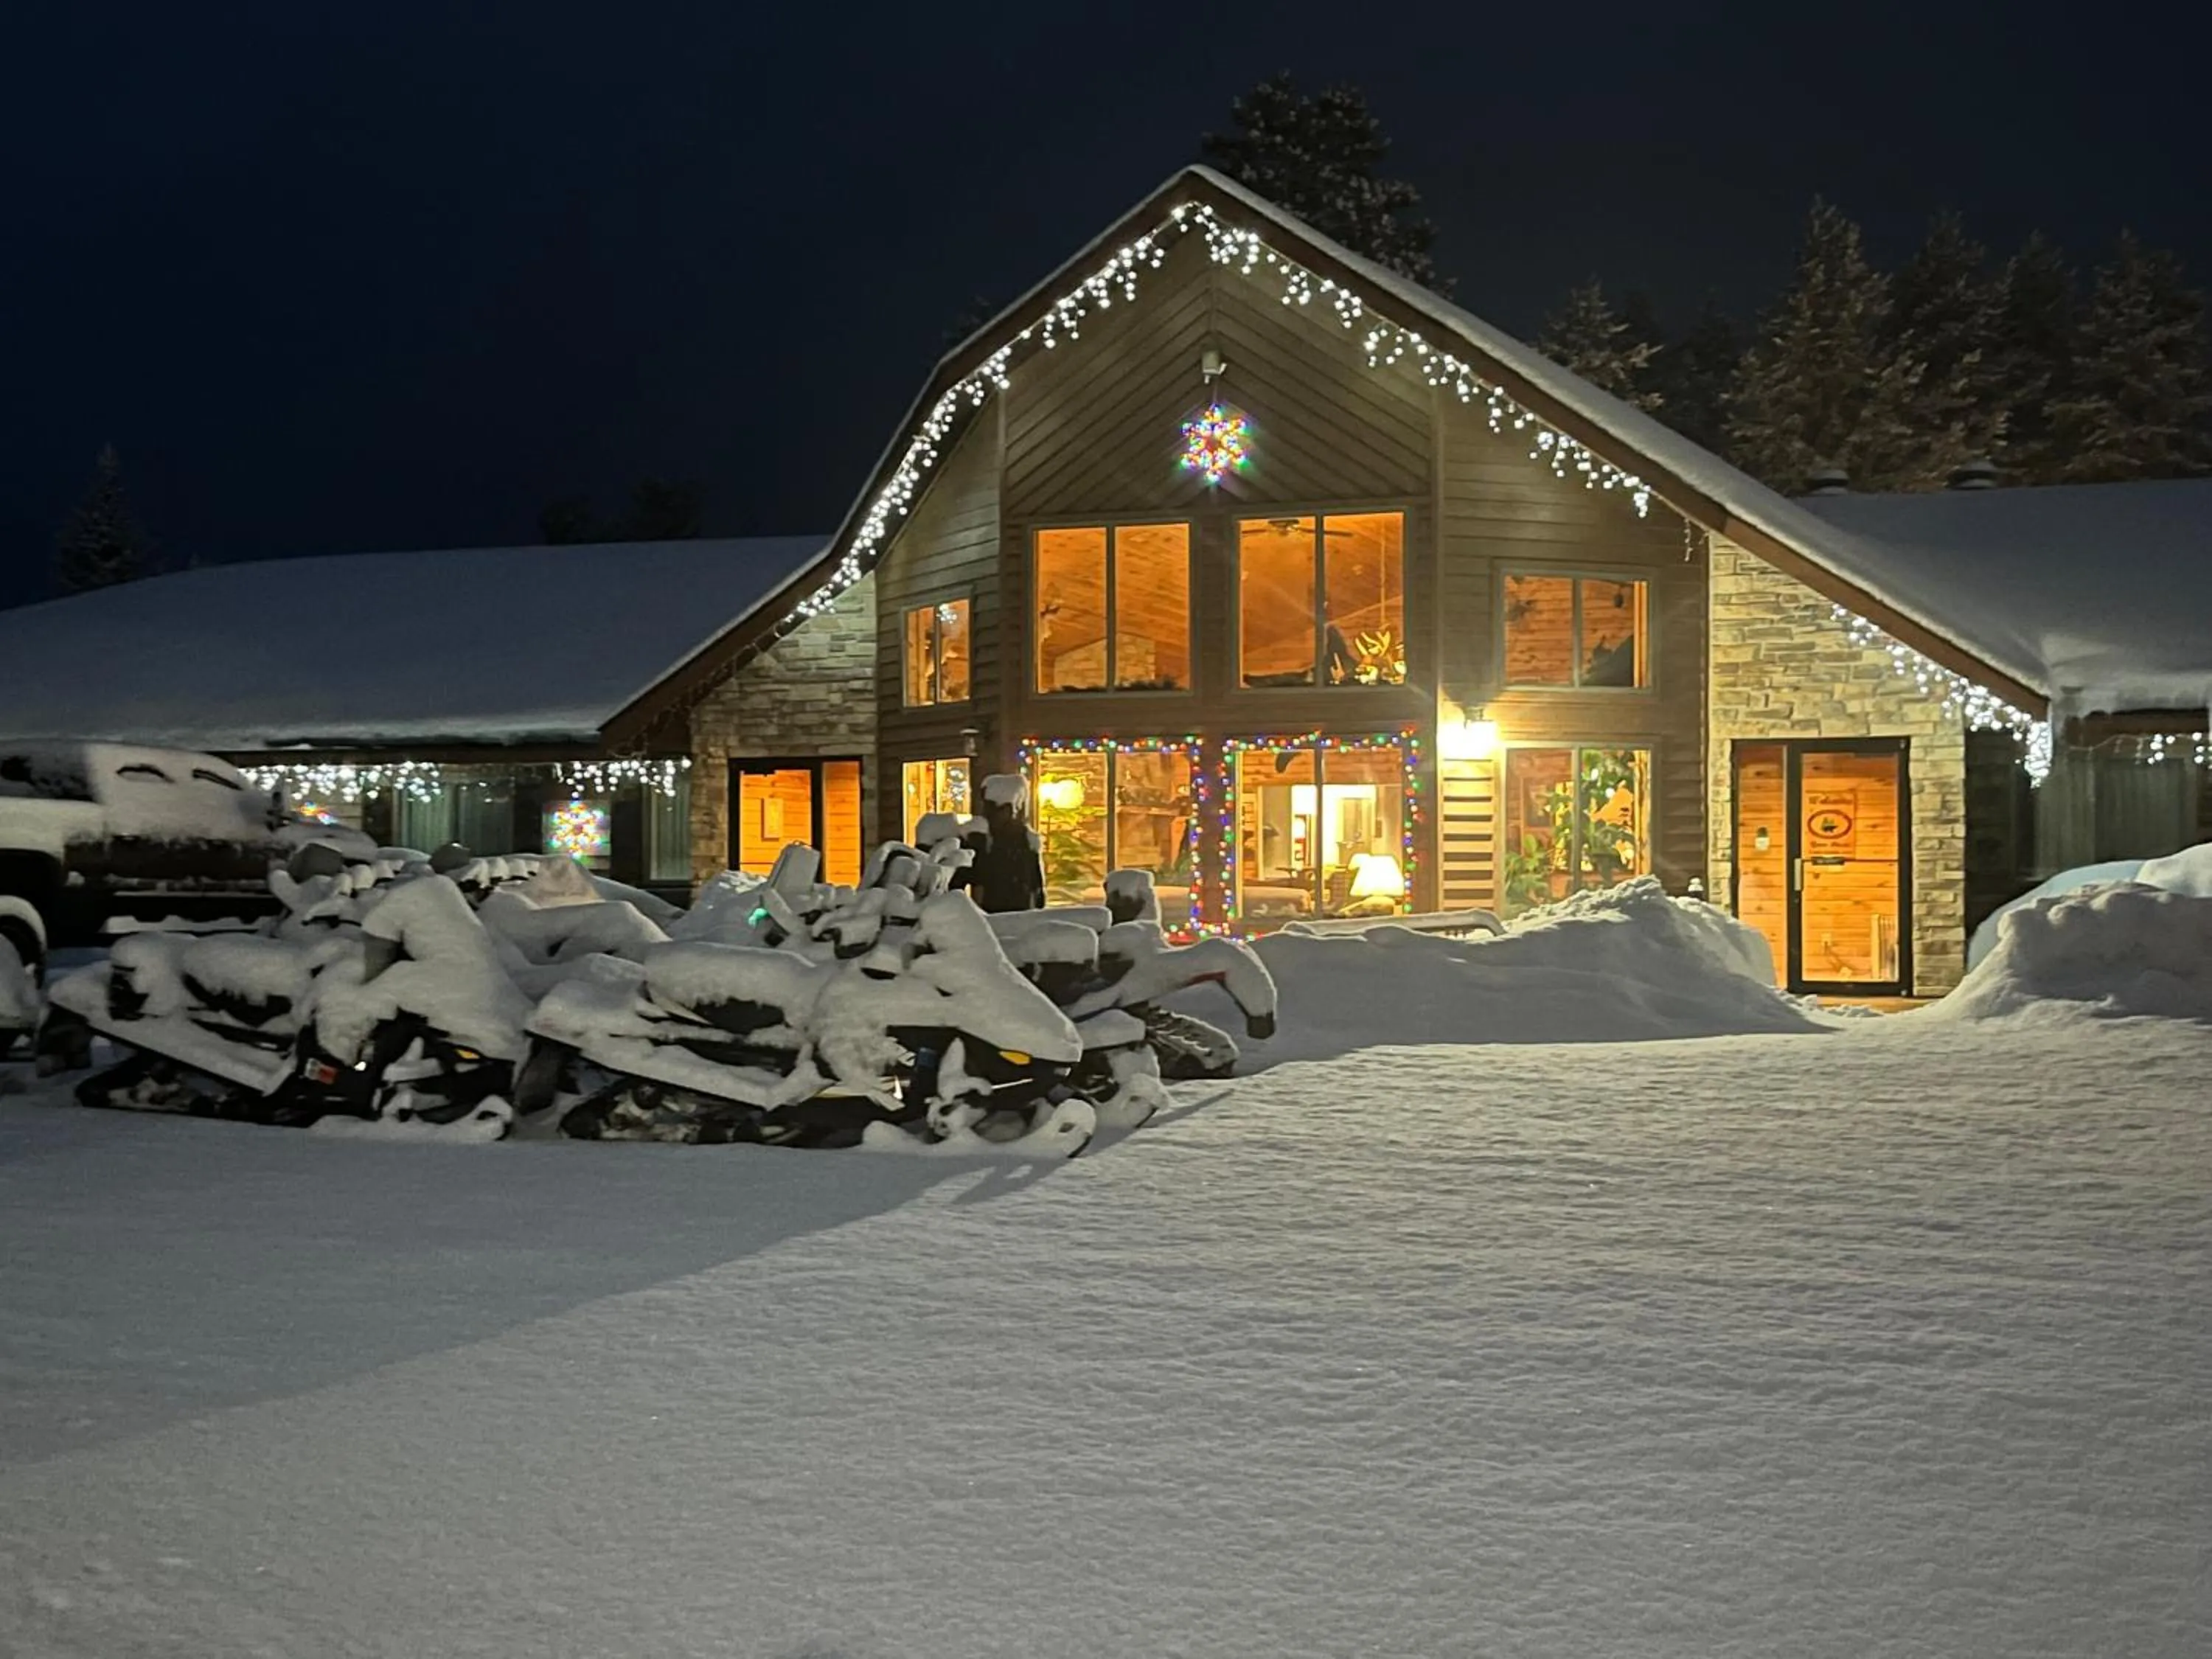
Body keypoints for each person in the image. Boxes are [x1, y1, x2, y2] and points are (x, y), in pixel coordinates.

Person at [957, 774, 1045, 913]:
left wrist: (1038, 894)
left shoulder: (1025, 838)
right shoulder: (981, 835)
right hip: (993, 909)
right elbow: (969, 876)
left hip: (1019, 908)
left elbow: (1034, 877)